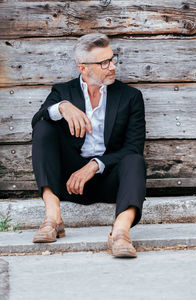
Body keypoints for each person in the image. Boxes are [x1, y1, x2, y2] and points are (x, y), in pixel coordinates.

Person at [31, 33, 146, 258]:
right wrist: (62, 107)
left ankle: (120, 233)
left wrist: (95, 165)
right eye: (104, 63)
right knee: (44, 127)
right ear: (83, 68)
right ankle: (53, 218)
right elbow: (37, 119)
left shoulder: (130, 96)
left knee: (134, 160)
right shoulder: (63, 92)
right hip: (68, 183)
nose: (112, 66)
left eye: (112, 59)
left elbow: (133, 147)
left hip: (109, 179)